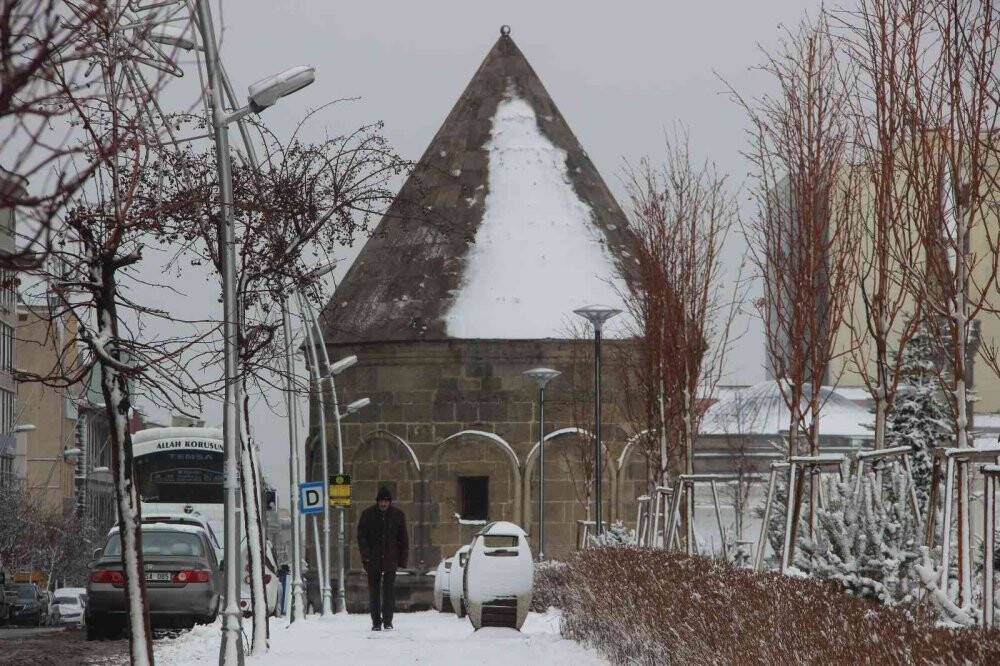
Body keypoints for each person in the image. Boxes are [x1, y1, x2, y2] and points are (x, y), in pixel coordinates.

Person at [357, 486, 408, 631]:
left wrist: (402, 560)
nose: (383, 504)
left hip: (391, 560)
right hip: (373, 560)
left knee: (389, 591)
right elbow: (362, 537)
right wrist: (366, 557)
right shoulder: (368, 515)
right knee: (374, 592)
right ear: (377, 501)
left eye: (386, 501)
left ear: (389, 502)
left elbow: (403, 539)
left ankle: (388, 621)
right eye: (381, 501)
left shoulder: (398, 515)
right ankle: (376, 622)